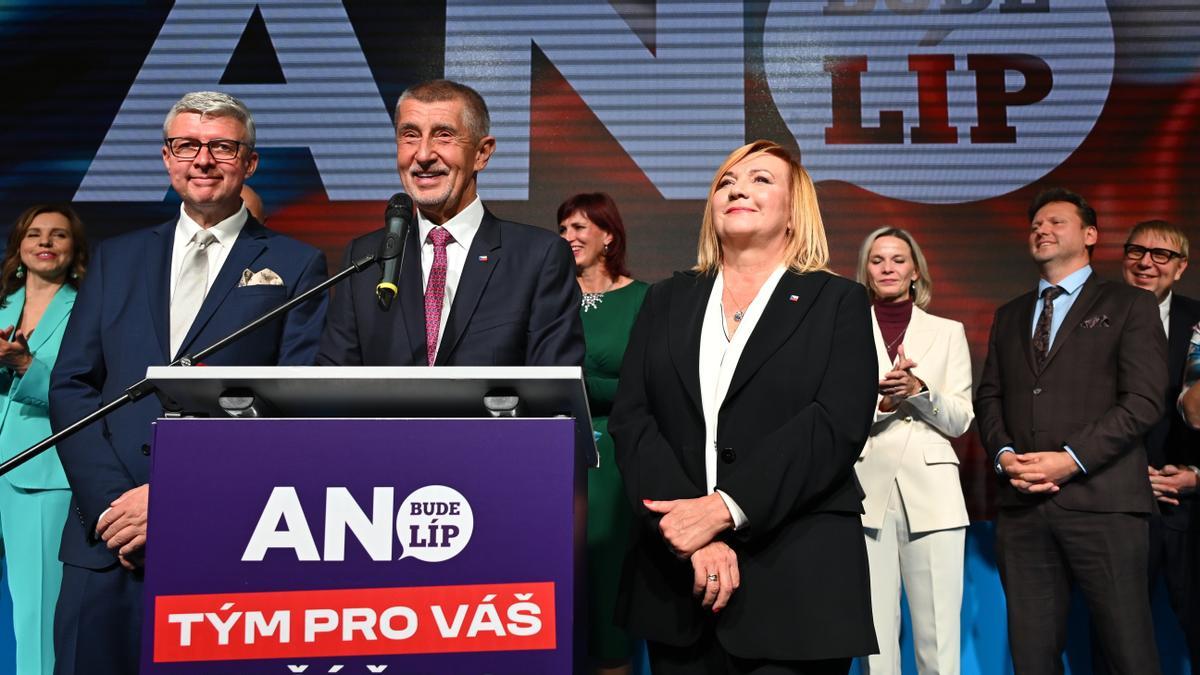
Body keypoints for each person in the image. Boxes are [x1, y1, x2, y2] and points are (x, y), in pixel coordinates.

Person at [49, 91, 328, 675]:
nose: (203, 159)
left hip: (225, 538)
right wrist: (111, 505)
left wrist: (177, 499)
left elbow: (292, 405)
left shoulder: (298, 264)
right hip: (107, 542)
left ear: (249, 162)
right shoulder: (116, 258)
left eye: (222, 146)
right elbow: (73, 386)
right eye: (187, 146)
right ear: (167, 157)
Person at [609, 140, 878, 674]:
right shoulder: (664, 299)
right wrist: (691, 534)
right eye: (727, 180)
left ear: (794, 208)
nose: (737, 188)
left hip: (797, 583)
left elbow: (834, 425)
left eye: (760, 179)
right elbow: (634, 419)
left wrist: (722, 509)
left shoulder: (838, 301)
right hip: (677, 581)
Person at [975, 188, 1166, 675]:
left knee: (1129, 651)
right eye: (1036, 224)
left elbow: (1143, 401)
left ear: (1089, 235)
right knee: (1032, 658)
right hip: (1023, 510)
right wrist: (1004, 456)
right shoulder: (1011, 314)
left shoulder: (1129, 305)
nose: (1042, 229)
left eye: (1056, 222)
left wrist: (1071, 457)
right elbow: (989, 397)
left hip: (1105, 505)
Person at [318, 79, 583, 367]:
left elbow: (555, 387)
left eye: (443, 135)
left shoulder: (538, 257)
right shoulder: (364, 259)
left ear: (482, 154)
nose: (423, 155)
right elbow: (333, 380)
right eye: (410, 136)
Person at [853, 227, 973, 675]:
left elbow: (961, 418)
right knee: (875, 639)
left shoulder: (947, 332)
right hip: (866, 491)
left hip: (933, 493)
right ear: (865, 272)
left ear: (916, 272)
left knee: (939, 636)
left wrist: (919, 391)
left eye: (898, 260)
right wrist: (884, 404)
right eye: (877, 259)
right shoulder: (845, 329)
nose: (888, 267)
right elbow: (834, 413)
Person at [557, 192, 648, 675]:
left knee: (607, 574)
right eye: (564, 229)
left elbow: (645, 386)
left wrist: (576, 382)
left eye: (579, 228)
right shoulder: (548, 297)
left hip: (613, 457)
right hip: (552, 454)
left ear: (608, 235)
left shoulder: (643, 299)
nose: (568, 237)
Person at [0, 205, 87, 675]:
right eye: (34, 234)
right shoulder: (2, 305)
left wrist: (24, 368)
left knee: (37, 612)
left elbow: (88, 391)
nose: (45, 242)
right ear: (19, 247)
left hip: (40, 472)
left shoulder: (86, 308)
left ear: (74, 250)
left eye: (58, 235)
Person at [1123, 219, 1200, 669]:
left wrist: (1195, 478)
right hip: (1119, 502)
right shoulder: (1094, 315)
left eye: (1161, 255)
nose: (1146, 262)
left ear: (1181, 266)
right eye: (1136, 251)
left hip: (1186, 501)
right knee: (1116, 635)